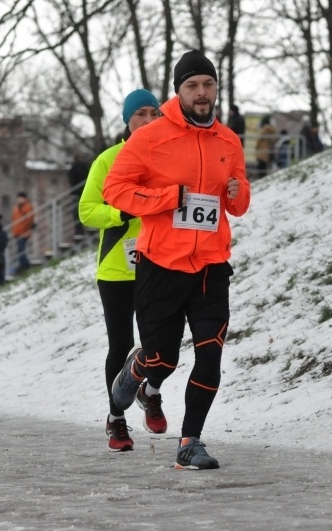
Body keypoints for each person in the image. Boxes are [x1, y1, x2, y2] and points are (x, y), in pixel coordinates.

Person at [103, 50, 251, 470]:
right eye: (192, 86)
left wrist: (239, 196)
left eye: (208, 84)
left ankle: (190, 442)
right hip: (161, 266)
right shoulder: (150, 138)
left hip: (210, 266)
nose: (201, 94)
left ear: (216, 89)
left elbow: (236, 201)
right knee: (162, 361)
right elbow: (116, 191)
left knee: (210, 354)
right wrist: (169, 198)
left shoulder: (229, 140)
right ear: (178, 91)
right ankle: (138, 370)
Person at [79, 88, 161, 452]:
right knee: (121, 345)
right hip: (116, 268)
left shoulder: (165, 157)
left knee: (159, 343)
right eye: (140, 113)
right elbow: (86, 211)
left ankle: (150, 390)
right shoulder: (108, 160)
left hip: (157, 261)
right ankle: (117, 420)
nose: (147, 120)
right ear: (127, 119)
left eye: (152, 113)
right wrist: (120, 213)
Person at [10, 192, 35, 274]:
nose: (19, 200)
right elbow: (14, 220)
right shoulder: (16, 208)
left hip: (24, 232)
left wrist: (25, 229)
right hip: (17, 232)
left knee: (21, 249)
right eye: (18, 198)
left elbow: (30, 219)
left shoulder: (27, 207)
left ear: (24, 199)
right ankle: (23, 264)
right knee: (20, 249)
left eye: (21, 198)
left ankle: (24, 265)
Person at [68, 153, 90, 239]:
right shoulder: (84, 167)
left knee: (77, 212)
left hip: (76, 193)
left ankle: (79, 230)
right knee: (82, 211)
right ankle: (83, 227)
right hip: (83, 192)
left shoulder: (74, 168)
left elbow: (71, 179)